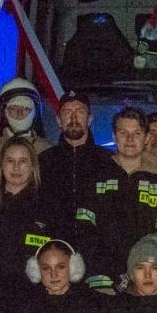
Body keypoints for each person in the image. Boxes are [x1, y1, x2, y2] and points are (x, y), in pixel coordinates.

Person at [38, 91, 115, 290]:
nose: (73, 118)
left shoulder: (109, 162)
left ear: (89, 119)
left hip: (100, 264)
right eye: (67, 112)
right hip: (55, 266)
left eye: (80, 111)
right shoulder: (43, 162)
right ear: (58, 120)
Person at [97, 106, 157, 287]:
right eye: (123, 132)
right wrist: (104, 269)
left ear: (146, 138)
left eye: (137, 133)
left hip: (146, 280)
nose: (130, 139)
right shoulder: (96, 176)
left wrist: (146, 266)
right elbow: (85, 229)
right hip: (103, 280)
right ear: (113, 136)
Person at [0, 138, 55, 300]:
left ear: (32, 166)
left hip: (36, 296)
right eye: (10, 161)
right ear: (1, 165)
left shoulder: (49, 204)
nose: (16, 167)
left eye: (23, 161)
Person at [0, 77, 53, 155]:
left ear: (35, 113)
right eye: (14, 108)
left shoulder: (47, 150)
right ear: (4, 113)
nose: (19, 113)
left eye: (26, 108)